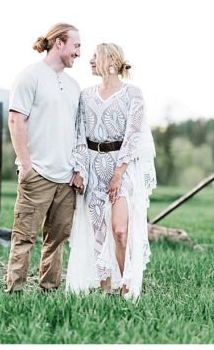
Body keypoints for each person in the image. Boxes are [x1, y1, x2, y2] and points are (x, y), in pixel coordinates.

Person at [66, 43, 157, 300]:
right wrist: (81, 170)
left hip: (123, 168)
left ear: (111, 61)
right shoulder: (85, 96)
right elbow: (79, 136)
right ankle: (105, 287)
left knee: (119, 231)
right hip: (94, 166)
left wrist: (118, 173)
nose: (90, 61)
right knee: (99, 231)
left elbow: (134, 135)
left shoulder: (133, 95)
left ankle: (125, 284)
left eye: (95, 57)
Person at [5, 23, 83, 293]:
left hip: (66, 178)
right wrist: (25, 164)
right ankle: (14, 292)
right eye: (76, 46)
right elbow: (16, 119)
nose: (79, 53)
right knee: (24, 236)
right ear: (59, 43)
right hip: (37, 172)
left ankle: (48, 290)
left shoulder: (74, 86)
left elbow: (77, 131)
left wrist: (77, 168)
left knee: (57, 238)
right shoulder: (30, 76)